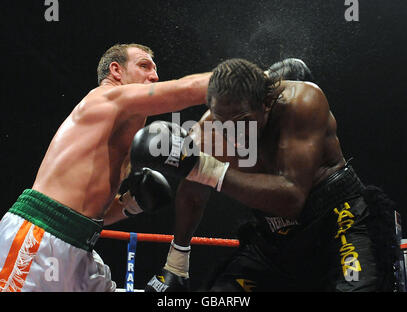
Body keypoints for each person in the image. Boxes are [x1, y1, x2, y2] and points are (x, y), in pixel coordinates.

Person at [132, 58, 399, 292]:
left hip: (340, 221)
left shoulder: (303, 102)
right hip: (275, 240)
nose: (231, 131)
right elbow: (192, 194)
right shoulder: (208, 130)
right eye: (221, 119)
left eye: (242, 119)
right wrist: (176, 263)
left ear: (267, 103)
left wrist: (202, 167)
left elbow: (291, 197)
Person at [0, 43, 212, 292]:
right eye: (144, 66)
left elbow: (92, 215)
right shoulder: (104, 97)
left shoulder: (124, 141)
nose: (154, 77)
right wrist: (250, 79)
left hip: (80, 247)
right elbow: (183, 91)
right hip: (38, 239)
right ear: (116, 71)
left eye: (155, 70)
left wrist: (130, 205)